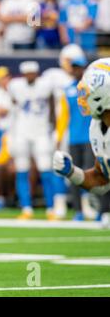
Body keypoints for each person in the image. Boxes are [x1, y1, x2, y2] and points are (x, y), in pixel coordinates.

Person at [53, 57, 110, 229]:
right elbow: (102, 181)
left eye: (87, 93)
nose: (81, 99)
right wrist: (72, 172)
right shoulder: (96, 127)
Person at [8, 61, 55, 220]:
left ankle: (51, 208)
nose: (30, 76)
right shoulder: (16, 86)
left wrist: (52, 128)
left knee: (46, 170)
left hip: (41, 132)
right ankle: (26, 208)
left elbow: (52, 107)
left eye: (32, 72)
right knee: (22, 170)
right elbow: (13, 102)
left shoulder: (45, 85)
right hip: (21, 132)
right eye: (27, 73)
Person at [55, 55, 97, 221]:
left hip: (89, 137)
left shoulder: (92, 87)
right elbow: (64, 116)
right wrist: (59, 136)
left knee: (88, 173)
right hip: (73, 137)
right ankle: (78, 210)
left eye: (79, 67)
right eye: (74, 67)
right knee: (73, 173)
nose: (76, 70)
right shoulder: (68, 89)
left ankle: (90, 206)